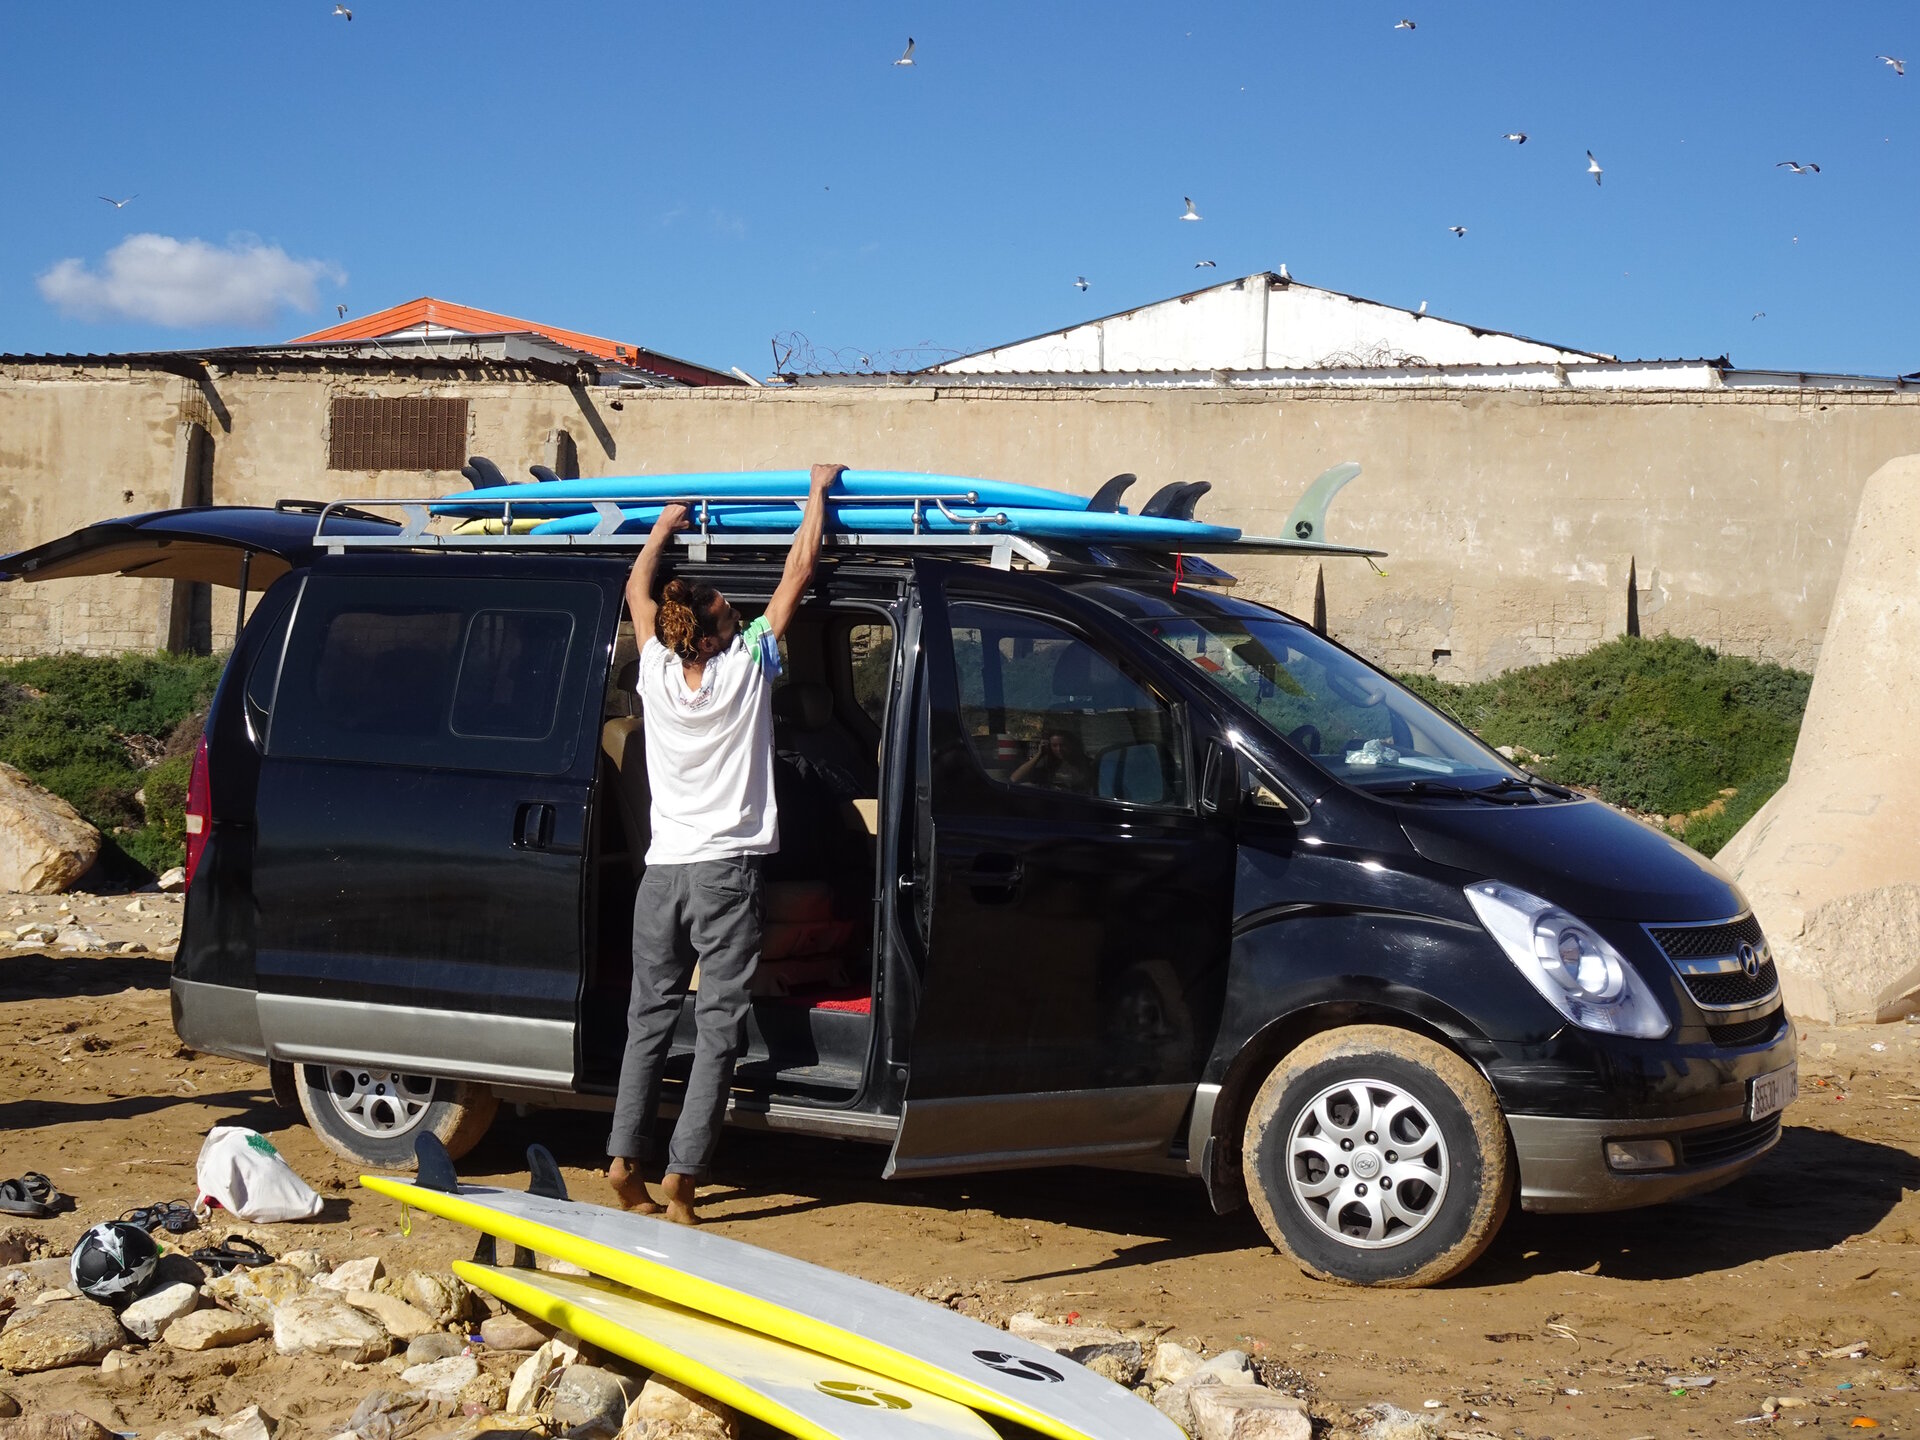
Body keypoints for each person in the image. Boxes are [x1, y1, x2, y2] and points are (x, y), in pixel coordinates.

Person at [607, 462, 843, 1223]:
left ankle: (621, 1162)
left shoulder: (653, 670)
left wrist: (664, 525)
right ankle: (682, 1180)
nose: (737, 610)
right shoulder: (748, 666)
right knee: (717, 1031)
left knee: (649, 1020)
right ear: (716, 630)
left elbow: (637, 593)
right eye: (726, 606)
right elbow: (800, 566)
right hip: (725, 876)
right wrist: (817, 491)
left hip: (662, 874)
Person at [1009, 729, 1093, 793]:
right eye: (1054, 746)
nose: (1059, 749)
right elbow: (1014, 779)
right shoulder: (1047, 761)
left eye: (1063, 745)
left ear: (1071, 745)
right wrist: (1039, 754)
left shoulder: (1084, 763)